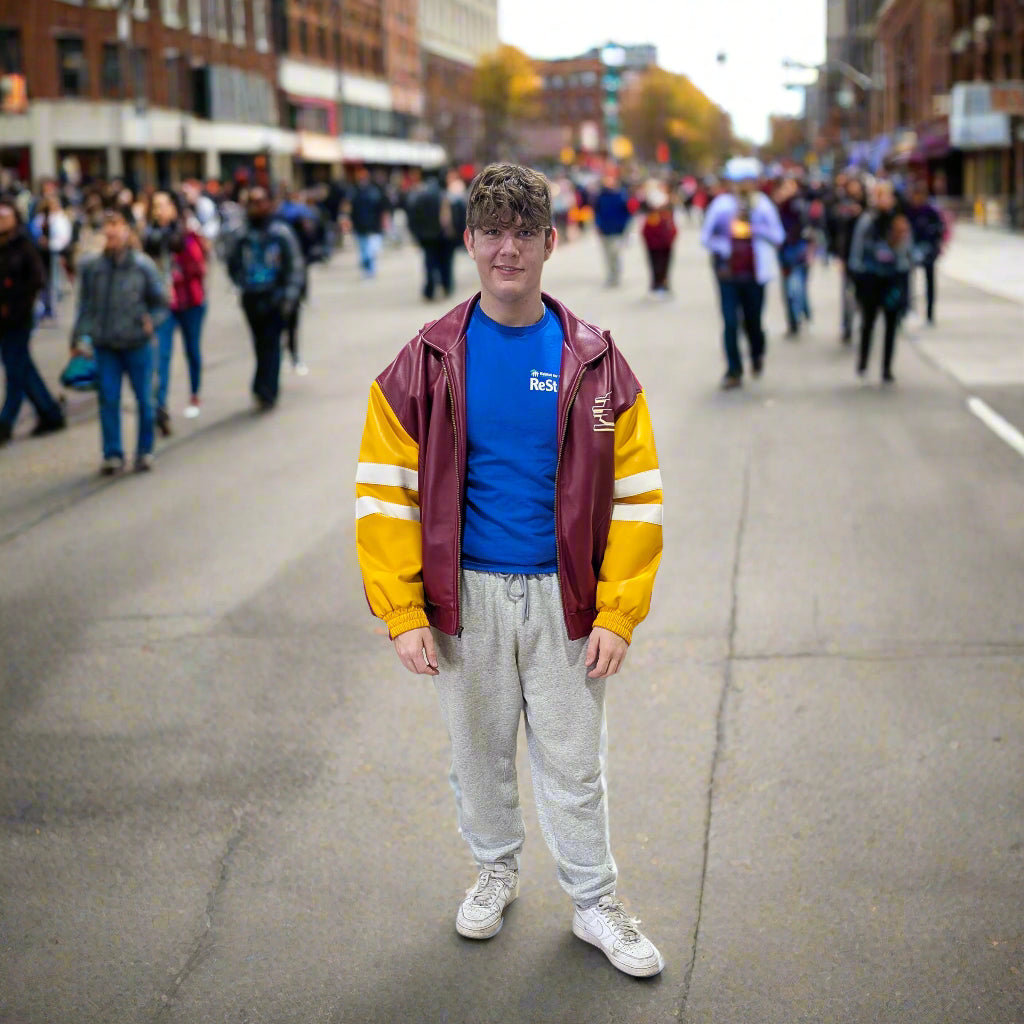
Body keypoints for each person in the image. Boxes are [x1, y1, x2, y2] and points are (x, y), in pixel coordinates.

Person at [355, 163, 666, 978]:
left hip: (568, 603)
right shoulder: (423, 360)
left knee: (573, 762)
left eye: (524, 232)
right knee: (478, 753)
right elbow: (383, 496)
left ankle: (596, 902)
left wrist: (617, 613)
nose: (508, 249)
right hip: (468, 601)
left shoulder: (596, 360)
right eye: (492, 231)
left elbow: (638, 497)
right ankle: (495, 868)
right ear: (468, 241)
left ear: (551, 242)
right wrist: (404, 611)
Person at [71, 209, 168, 474]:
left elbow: (161, 303)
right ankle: (112, 453)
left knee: (145, 401)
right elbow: (85, 306)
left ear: (127, 229)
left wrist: (152, 321)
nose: (111, 231)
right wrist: (77, 339)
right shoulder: (94, 268)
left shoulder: (142, 265)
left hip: (137, 344)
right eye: (106, 225)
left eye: (116, 225)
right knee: (108, 399)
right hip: (106, 346)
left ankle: (145, 451)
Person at [700, 157, 785, 389]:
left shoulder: (763, 205)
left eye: (748, 181)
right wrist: (724, 246)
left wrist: (756, 229)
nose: (743, 186)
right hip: (728, 273)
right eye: (738, 181)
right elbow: (706, 237)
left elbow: (779, 237)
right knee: (730, 322)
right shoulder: (721, 205)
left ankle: (757, 353)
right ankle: (733, 370)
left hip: (754, 274)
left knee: (753, 320)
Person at [225, 187, 305, 410]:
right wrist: (242, 283)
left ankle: (267, 388)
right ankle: (262, 385)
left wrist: (289, 296)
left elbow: (295, 266)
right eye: (252, 201)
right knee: (260, 343)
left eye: (260, 201)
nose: (256, 206)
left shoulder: (281, 233)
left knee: (271, 344)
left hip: (275, 297)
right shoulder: (242, 234)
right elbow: (232, 263)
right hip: (252, 297)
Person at [0, 198, 66, 445]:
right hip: (3, 321)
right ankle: (50, 412)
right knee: (23, 368)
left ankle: (5, 422)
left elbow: (36, 278)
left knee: (15, 370)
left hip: (20, 318)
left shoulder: (23, 244)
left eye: (5, 216)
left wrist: (19, 300)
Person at [144, 191, 208, 424]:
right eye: (156, 205)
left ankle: (194, 395)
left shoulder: (187, 232)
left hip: (191, 301)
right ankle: (160, 406)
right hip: (164, 306)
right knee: (161, 355)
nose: (159, 210)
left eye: (164, 204)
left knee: (192, 350)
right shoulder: (149, 236)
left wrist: (175, 277)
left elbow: (199, 265)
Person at [848, 180, 912, 384]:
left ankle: (886, 368)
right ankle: (863, 361)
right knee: (868, 322)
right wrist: (856, 274)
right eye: (879, 195)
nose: (883, 199)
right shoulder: (868, 220)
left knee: (891, 324)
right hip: (871, 278)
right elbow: (857, 250)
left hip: (892, 279)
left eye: (886, 195)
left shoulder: (899, 222)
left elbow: (906, 252)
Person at [275, 189, 325, 376]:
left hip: (287, 276)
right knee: (290, 321)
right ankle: (292, 356)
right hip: (289, 275)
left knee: (288, 321)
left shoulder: (279, 220)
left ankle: (290, 355)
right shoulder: (300, 215)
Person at [829, 177, 867, 344]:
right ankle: (847, 327)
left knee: (862, 295)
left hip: (865, 258)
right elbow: (834, 227)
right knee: (847, 294)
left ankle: (864, 324)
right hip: (847, 255)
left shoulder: (867, 207)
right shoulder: (841, 205)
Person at [774, 177, 812, 338]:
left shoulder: (798, 204)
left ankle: (801, 312)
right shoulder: (779, 205)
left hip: (797, 249)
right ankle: (794, 319)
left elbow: (804, 224)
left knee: (796, 286)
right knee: (789, 287)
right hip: (785, 250)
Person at [406, 171, 451, 300]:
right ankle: (446, 286)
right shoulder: (442, 196)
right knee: (443, 262)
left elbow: (412, 217)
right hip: (441, 236)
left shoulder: (419, 197)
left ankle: (429, 290)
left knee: (429, 263)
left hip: (426, 237)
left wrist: (417, 234)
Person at [905, 182, 945, 325]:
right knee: (908, 279)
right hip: (911, 249)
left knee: (929, 280)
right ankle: (908, 308)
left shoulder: (930, 211)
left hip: (929, 250)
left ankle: (929, 312)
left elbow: (940, 228)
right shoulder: (908, 211)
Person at [347, 167, 389, 279]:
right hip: (360, 225)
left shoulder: (375, 191)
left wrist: (383, 221)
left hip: (372, 225)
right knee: (363, 249)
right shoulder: (354, 191)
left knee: (371, 249)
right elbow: (350, 209)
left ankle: (370, 269)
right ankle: (367, 269)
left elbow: (382, 208)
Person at [593, 170, 632, 287]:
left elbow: (627, 212)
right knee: (607, 254)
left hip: (617, 230)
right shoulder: (601, 196)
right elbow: (597, 212)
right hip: (605, 229)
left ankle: (616, 274)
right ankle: (611, 274)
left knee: (615, 253)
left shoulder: (622, 195)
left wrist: (624, 227)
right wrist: (598, 225)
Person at [640, 185, 677, 297]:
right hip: (655, 247)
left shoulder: (667, 215)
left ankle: (663, 284)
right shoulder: (652, 217)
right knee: (655, 266)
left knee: (665, 266)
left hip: (665, 246)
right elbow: (646, 232)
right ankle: (657, 284)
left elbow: (673, 229)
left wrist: (670, 239)